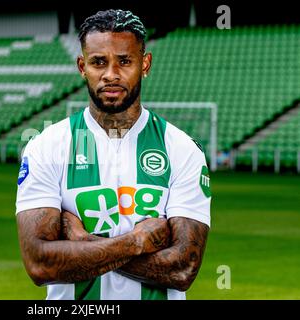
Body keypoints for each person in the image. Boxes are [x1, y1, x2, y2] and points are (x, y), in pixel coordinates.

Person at [15, 9, 211, 300]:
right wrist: (135, 242)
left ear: (145, 64)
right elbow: (40, 264)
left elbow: (183, 269)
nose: (111, 74)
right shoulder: (46, 147)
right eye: (98, 62)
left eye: (124, 61)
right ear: (82, 67)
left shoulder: (181, 150)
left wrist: (82, 243)